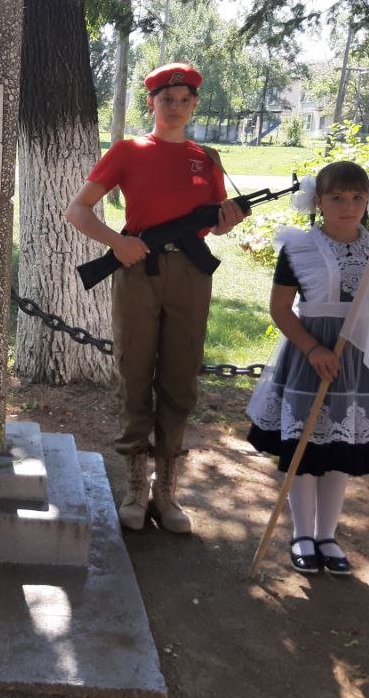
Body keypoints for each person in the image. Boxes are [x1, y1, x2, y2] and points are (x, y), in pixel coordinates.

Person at [66, 62, 245, 534]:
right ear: (153, 102)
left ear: (194, 105)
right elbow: (78, 210)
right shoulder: (129, 150)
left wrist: (226, 222)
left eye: (186, 101)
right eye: (168, 100)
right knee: (135, 370)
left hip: (189, 273)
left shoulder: (206, 157)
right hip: (137, 268)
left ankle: (167, 487)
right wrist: (116, 241)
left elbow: (212, 221)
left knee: (180, 374)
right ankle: (135, 484)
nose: (177, 108)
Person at [245, 161, 369, 575]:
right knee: (307, 449)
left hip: (358, 363)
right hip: (309, 358)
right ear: (317, 201)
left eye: (356, 198)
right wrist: (314, 349)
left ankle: (327, 535)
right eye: (337, 198)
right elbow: (281, 309)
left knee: (340, 450)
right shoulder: (299, 248)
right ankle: (302, 533)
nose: (348, 206)